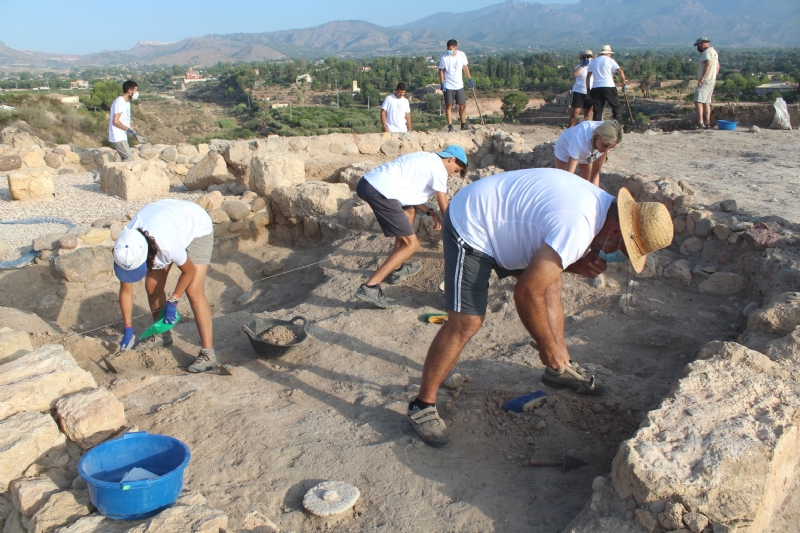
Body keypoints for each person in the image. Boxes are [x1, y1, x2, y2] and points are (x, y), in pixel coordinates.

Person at [406, 168, 673, 447]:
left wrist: (574, 265)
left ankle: (560, 369)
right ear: (617, 229)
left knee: (552, 283)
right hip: (472, 222)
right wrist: (547, 346)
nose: (618, 255)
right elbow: (526, 292)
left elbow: (541, 256)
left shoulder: (600, 208)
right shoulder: (579, 224)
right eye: (624, 248)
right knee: (467, 322)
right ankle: (422, 405)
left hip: (505, 223)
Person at [354, 146, 469, 309]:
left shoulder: (425, 158)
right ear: (451, 159)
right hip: (380, 191)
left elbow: (409, 196)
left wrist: (430, 212)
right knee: (412, 244)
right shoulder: (438, 169)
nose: (451, 175)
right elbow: (445, 207)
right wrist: (457, 231)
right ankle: (370, 287)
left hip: (368, 184)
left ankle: (397, 269)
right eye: (456, 170)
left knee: (409, 212)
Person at [113, 199, 218, 373]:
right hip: (166, 221)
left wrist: (174, 300)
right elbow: (125, 289)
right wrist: (128, 327)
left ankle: (208, 354)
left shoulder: (168, 246)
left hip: (196, 226)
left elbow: (189, 271)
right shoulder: (125, 248)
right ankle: (162, 334)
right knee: (152, 286)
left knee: (193, 290)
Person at [554, 120, 622, 186]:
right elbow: (569, 175)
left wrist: (592, 187)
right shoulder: (581, 136)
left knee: (587, 183)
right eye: (605, 146)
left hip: (589, 149)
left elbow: (595, 173)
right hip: (565, 148)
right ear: (597, 135)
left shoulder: (609, 138)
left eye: (611, 148)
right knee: (564, 181)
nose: (606, 151)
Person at [438, 39, 473, 132]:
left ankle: (463, 123)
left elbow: (465, 67)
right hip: (448, 85)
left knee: (462, 105)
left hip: (459, 85)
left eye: (451, 49)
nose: (449, 50)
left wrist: (469, 79)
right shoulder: (444, 57)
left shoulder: (461, 55)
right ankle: (450, 125)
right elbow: (441, 70)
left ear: (455, 47)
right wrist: (442, 83)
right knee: (449, 105)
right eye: (448, 49)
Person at [586, 45, 627, 122]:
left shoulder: (594, 61)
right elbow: (620, 72)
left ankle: (596, 128)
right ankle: (618, 125)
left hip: (596, 87)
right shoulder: (610, 60)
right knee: (616, 107)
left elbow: (588, 76)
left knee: (597, 110)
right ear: (608, 53)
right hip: (608, 86)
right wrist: (623, 83)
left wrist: (588, 88)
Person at [108, 80, 141, 162]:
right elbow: (116, 121)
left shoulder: (127, 103)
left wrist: (135, 134)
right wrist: (129, 130)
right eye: (135, 90)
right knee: (129, 158)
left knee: (126, 158)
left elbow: (126, 122)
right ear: (130, 91)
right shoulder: (120, 102)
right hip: (117, 136)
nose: (137, 93)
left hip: (122, 135)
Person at [693, 37, 720, 129]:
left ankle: (700, 122)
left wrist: (702, 78)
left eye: (699, 45)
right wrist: (714, 75)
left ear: (702, 44)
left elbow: (708, 63)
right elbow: (718, 65)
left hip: (706, 81)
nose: (699, 47)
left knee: (698, 101)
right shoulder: (714, 51)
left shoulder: (706, 52)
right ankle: (707, 123)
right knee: (706, 102)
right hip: (712, 80)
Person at [569, 50, 595, 127]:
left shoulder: (594, 67)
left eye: (588, 56)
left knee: (588, 114)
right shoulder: (579, 66)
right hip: (578, 91)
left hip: (590, 92)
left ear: (591, 58)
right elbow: (575, 74)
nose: (587, 58)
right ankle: (570, 130)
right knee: (575, 113)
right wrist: (582, 65)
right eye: (585, 57)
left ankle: (586, 131)